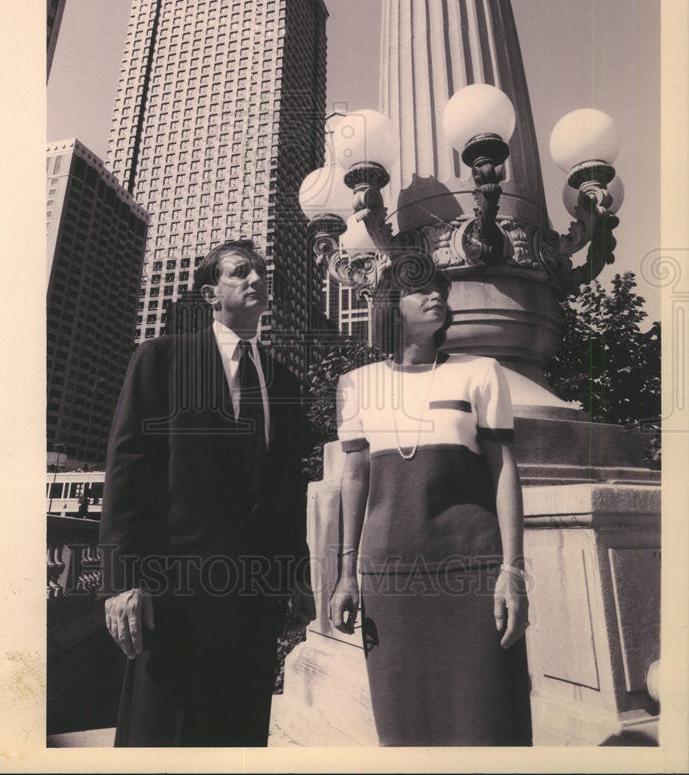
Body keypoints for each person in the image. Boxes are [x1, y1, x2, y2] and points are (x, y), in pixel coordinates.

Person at [100, 240, 315, 747]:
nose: (256, 278)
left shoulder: (285, 382)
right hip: (173, 597)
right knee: (162, 737)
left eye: (261, 271)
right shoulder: (162, 358)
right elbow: (129, 470)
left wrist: (297, 576)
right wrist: (123, 579)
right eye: (241, 271)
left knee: (237, 737)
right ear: (209, 293)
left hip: (253, 603)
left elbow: (287, 491)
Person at [328, 261, 532, 746]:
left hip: (472, 569)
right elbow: (353, 477)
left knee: (488, 720)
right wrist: (344, 574)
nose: (436, 295)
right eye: (418, 289)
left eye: (440, 287)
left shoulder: (482, 372)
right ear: (389, 306)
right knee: (404, 726)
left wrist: (513, 570)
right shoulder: (354, 384)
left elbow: (503, 470)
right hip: (391, 577)